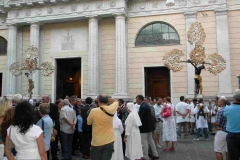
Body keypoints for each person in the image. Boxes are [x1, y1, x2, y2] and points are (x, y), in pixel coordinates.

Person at [87, 94, 118, 160]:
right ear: (107, 101)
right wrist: (107, 98)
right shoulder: (111, 109)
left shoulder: (93, 111)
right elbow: (116, 101)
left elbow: (88, 123)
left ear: (98, 101)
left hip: (97, 141)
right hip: (109, 140)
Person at [137, 95, 159, 160]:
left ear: (141, 100)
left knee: (144, 142)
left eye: (137, 100)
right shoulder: (147, 105)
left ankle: (145, 156)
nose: (136, 101)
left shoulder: (142, 106)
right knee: (151, 140)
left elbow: (141, 118)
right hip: (150, 127)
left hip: (144, 127)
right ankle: (155, 154)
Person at [224, 89, 240, 160]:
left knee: (233, 157)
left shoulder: (227, 109)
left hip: (232, 134)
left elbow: (225, 117)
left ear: (233, 98)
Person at [42, 95, 59, 160]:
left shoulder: (53, 106)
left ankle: (54, 157)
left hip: (52, 127)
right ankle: (47, 157)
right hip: (44, 128)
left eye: (43, 99)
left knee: (53, 143)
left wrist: (55, 128)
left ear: (48, 99)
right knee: (45, 143)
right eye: (42, 99)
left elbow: (56, 118)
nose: (42, 100)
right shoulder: (41, 106)